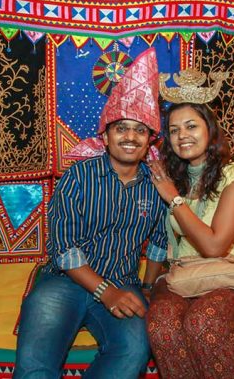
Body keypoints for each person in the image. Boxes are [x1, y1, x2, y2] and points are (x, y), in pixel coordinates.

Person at [15, 49, 168, 378]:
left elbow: (159, 241)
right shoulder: (78, 176)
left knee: (133, 353)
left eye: (140, 130)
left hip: (123, 282)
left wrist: (147, 287)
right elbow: (64, 250)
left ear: (149, 140)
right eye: (121, 128)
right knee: (35, 365)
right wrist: (106, 293)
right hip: (63, 283)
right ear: (106, 135)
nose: (130, 137)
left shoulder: (156, 185)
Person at [144, 101, 234, 379]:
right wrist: (146, 285)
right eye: (174, 130)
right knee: (160, 323)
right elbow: (158, 238)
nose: (182, 135)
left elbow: (214, 246)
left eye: (191, 126)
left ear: (210, 130)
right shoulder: (172, 178)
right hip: (184, 279)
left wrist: (174, 199)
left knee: (205, 320)